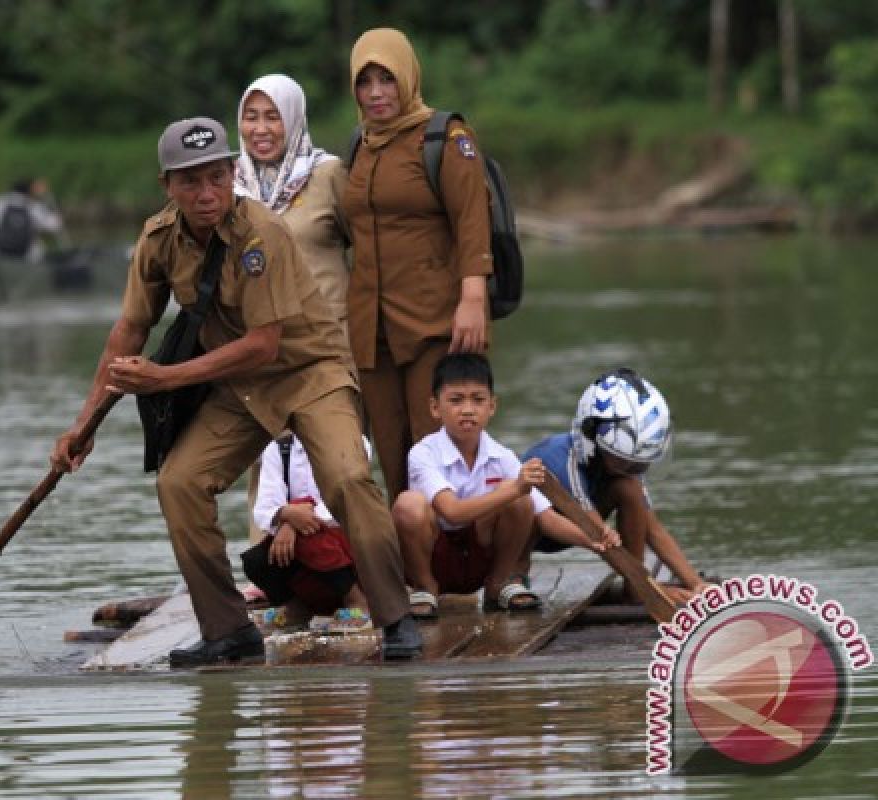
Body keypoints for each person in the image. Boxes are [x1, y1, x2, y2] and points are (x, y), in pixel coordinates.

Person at [50, 117, 422, 666]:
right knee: (180, 482)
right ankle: (228, 630)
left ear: (232, 175)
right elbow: (127, 334)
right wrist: (84, 427)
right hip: (239, 385)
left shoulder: (260, 233)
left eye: (218, 178)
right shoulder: (158, 240)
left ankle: (395, 617)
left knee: (346, 477)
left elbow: (264, 345)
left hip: (309, 370)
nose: (207, 194)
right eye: (191, 181)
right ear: (167, 187)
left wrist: (164, 378)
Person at [342, 28, 494, 502]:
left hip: (435, 320)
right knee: (392, 456)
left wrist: (473, 297)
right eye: (364, 82)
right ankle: (413, 571)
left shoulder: (445, 137)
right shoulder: (359, 146)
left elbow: (472, 219)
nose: (376, 93)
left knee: (442, 452)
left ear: (406, 77)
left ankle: (465, 564)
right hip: (372, 328)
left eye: (386, 79)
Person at [392, 354, 620, 617]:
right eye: (455, 400)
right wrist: (512, 489)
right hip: (436, 558)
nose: (467, 410)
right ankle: (424, 587)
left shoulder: (502, 456)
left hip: (479, 558)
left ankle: (497, 583)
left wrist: (593, 539)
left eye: (478, 400)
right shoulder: (423, 453)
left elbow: (545, 517)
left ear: (492, 406)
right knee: (408, 504)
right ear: (435, 407)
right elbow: (451, 511)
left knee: (523, 501)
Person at [234, 73, 354, 547]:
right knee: (263, 458)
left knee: (338, 459)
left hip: (328, 346)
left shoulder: (327, 175)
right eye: (251, 116)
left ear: (294, 119)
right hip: (259, 347)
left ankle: (347, 567)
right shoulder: (231, 185)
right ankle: (268, 564)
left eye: (273, 117)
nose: (261, 128)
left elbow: (365, 248)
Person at [521, 368, 711, 605]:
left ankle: (634, 586)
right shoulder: (566, 462)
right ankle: (515, 577)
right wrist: (651, 590)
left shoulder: (626, 468)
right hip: (533, 532)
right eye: (623, 462)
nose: (631, 470)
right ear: (592, 443)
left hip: (581, 528)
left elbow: (654, 530)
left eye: (638, 465)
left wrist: (696, 584)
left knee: (629, 488)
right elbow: (600, 539)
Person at [243, 432, 373, 626]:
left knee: (311, 538)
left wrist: (293, 519)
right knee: (255, 560)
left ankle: (356, 600)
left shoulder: (353, 441)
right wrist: (288, 517)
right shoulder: (278, 448)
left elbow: (344, 499)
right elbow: (264, 510)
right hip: (301, 541)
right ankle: (296, 608)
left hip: (343, 543)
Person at [0, 177, 64, 262]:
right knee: (38, 247)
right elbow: (55, 226)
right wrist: (49, 203)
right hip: (26, 256)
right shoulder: (34, 207)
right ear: (30, 190)